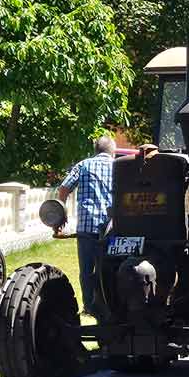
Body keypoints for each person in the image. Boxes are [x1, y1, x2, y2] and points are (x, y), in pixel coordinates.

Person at [58, 135, 116, 317]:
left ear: (95, 150)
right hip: (113, 227)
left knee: (87, 270)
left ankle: (90, 307)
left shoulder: (83, 165)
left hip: (87, 226)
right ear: (112, 152)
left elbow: (64, 188)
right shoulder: (119, 166)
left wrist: (61, 215)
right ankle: (111, 304)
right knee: (112, 265)